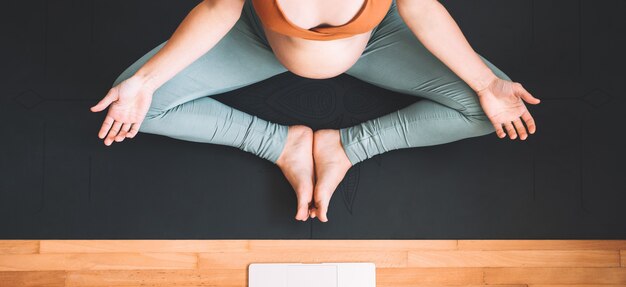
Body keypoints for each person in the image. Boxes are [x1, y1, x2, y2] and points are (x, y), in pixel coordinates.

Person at [91, 0, 540, 222]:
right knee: (135, 106)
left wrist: (485, 84)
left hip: (378, 41)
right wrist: (144, 82)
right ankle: (280, 145)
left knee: (495, 110)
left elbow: (420, 5)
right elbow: (217, 7)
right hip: (257, 39)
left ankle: (345, 148)